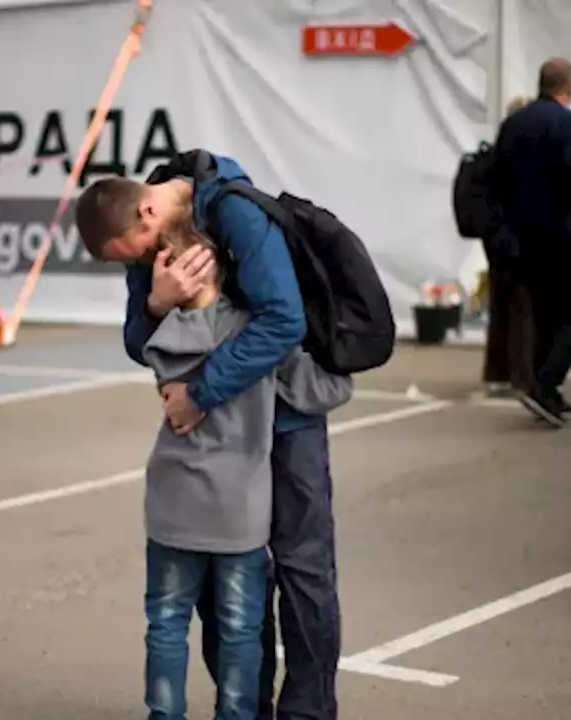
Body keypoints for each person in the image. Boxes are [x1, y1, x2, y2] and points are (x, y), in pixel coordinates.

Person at [75, 151, 342, 720]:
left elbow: (284, 320)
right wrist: (155, 301)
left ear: (149, 211)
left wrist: (201, 392)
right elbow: (135, 338)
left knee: (301, 570)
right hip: (217, 429)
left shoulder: (237, 215)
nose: (145, 260)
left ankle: (307, 713)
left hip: (285, 418)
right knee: (226, 598)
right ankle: (246, 709)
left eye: (141, 252)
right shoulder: (141, 227)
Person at [138, 225, 351, 720]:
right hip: (239, 512)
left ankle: (164, 714)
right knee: (241, 628)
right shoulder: (261, 336)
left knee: (166, 624)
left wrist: (156, 304)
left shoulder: (166, 333)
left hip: (172, 504)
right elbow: (327, 391)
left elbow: (149, 351)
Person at [493, 58, 571, 427]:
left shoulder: (513, 124)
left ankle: (545, 390)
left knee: (544, 313)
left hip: (524, 233)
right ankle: (546, 383)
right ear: (568, 87)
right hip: (567, 233)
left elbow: (498, 178)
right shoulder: (569, 124)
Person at [482, 95, 536, 396]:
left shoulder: (496, 151)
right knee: (523, 306)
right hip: (517, 234)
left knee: (501, 306)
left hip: (495, 235)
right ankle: (522, 372)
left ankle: (497, 371)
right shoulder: (523, 153)